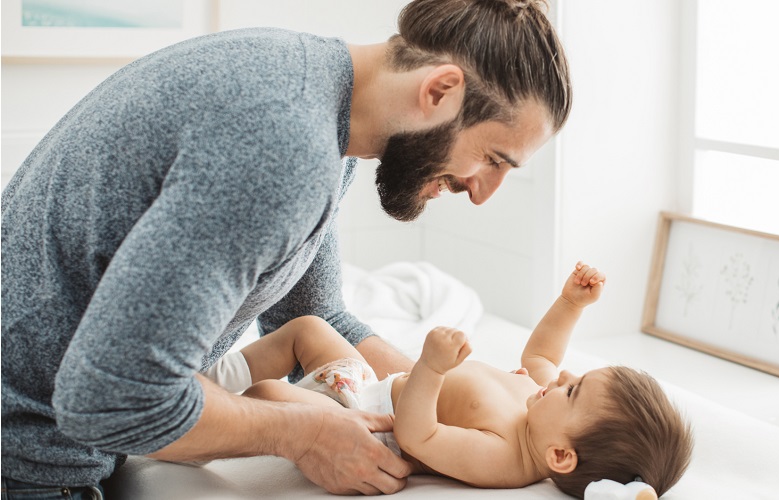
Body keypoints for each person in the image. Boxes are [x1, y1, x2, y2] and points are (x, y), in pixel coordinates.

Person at [0, 0, 572, 497]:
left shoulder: (321, 102)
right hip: (26, 460)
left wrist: (450, 394)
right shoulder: (282, 148)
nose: (482, 193)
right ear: (440, 91)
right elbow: (109, 400)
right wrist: (299, 433)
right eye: (494, 159)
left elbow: (310, 314)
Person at [229, 263, 694, 499]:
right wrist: (570, 305)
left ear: (560, 455)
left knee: (269, 396)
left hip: (354, 423)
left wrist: (430, 367)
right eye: (578, 376)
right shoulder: (540, 400)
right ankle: (210, 376)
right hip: (367, 384)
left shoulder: (507, 456)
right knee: (308, 329)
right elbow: (541, 354)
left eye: (573, 390)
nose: (565, 375)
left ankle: (206, 405)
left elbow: (419, 434)